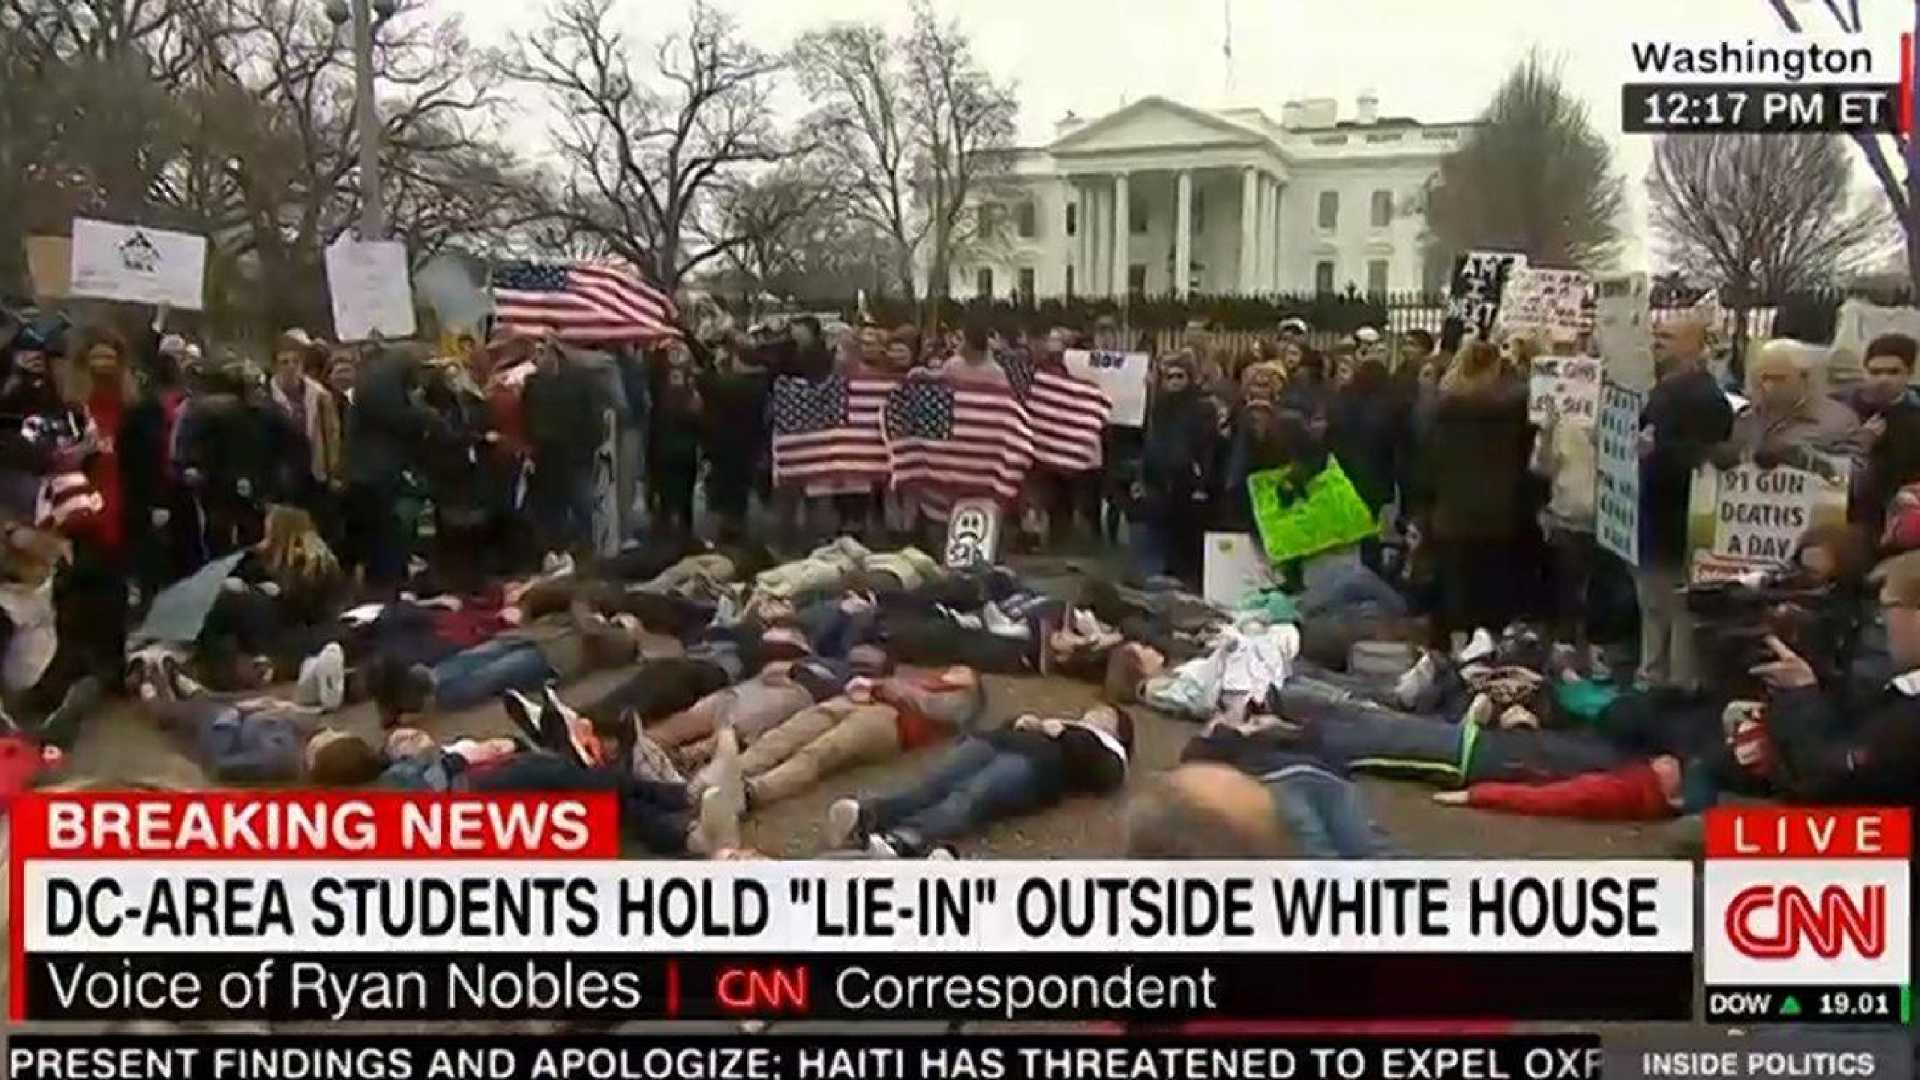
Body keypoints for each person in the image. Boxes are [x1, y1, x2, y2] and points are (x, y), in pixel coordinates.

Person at [1735, 548, 1920, 806]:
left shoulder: (1911, 712)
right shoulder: (1901, 695)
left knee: (1698, 834)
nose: (1883, 621)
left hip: (1880, 836)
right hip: (1874, 829)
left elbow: (1828, 779)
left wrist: (1800, 694)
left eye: (1888, 607)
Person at [825, 704, 1133, 857]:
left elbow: (1104, 776)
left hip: (1035, 766)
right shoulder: (1061, 722)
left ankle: (903, 840)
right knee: (933, 784)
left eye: (1106, 714)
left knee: (969, 797)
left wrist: (1068, 735)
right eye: (1094, 710)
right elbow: (1010, 726)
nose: (1094, 713)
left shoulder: (1110, 749)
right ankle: (869, 817)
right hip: (999, 743)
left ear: (1118, 730)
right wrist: (1019, 722)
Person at [1636, 314, 1734, 693]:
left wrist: (1654, 453)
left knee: (1677, 613)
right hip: (1655, 517)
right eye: (1657, 333)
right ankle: (1653, 682)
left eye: (1669, 336)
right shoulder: (1664, 388)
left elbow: (1703, 460)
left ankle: (1673, 690)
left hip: (1679, 520)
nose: (1658, 341)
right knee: (1656, 610)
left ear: (1696, 346)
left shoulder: (1702, 397)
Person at [1415, 342, 1531, 650]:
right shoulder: (1512, 411)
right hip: (1497, 515)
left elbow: (1426, 467)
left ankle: (1456, 647)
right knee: (1491, 590)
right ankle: (1488, 650)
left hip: (1451, 516)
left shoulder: (1439, 411)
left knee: (1456, 588)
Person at [343, 347, 437, 593]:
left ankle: (386, 581)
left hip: (369, 471)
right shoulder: (381, 390)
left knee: (382, 535)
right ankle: (387, 584)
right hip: (377, 473)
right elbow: (398, 417)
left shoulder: (375, 384)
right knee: (385, 536)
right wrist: (426, 414)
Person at [1711, 339, 1864, 477]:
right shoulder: (1743, 420)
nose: (1768, 387)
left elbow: (1854, 476)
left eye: (1777, 379)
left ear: (1805, 378)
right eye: (1763, 378)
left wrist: (1809, 461)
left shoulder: (1838, 421)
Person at [1133, 352, 1218, 584]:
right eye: (1169, 377)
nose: (1174, 382)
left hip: (1187, 483)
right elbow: (1147, 443)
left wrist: (1202, 481)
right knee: (1157, 537)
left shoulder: (1202, 408)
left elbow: (1208, 448)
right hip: (1157, 481)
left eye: (1180, 376)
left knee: (1184, 540)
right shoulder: (1156, 407)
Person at [522, 339, 606, 561]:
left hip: (576, 454)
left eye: (541, 353)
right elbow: (527, 418)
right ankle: (555, 552)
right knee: (552, 509)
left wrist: (590, 444)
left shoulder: (579, 382)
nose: (537, 360)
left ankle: (588, 550)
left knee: (582, 503)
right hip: (547, 456)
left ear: (554, 355)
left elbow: (594, 417)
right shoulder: (533, 384)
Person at [268, 331, 343, 505]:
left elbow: (332, 435)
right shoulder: (267, 397)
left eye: (296, 362)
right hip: (282, 474)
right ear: (276, 367)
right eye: (284, 362)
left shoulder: (320, 396)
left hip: (315, 471)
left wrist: (334, 472)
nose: (291, 367)